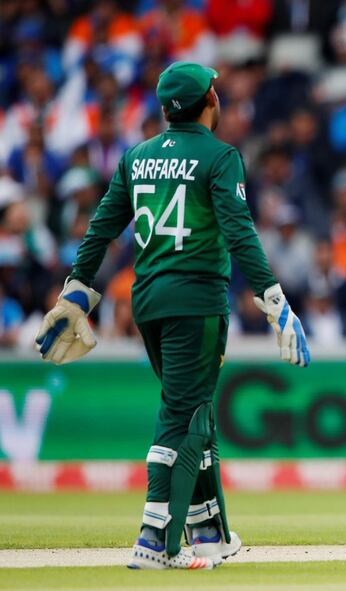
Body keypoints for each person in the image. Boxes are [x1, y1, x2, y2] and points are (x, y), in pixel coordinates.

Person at [34, 62, 310, 570]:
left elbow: (101, 229)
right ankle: (155, 538)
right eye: (216, 90)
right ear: (209, 100)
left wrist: (77, 289)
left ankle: (208, 533)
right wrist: (276, 300)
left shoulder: (136, 157)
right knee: (180, 415)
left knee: (194, 412)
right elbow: (241, 231)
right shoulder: (221, 157)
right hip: (197, 299)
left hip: (148, 301)